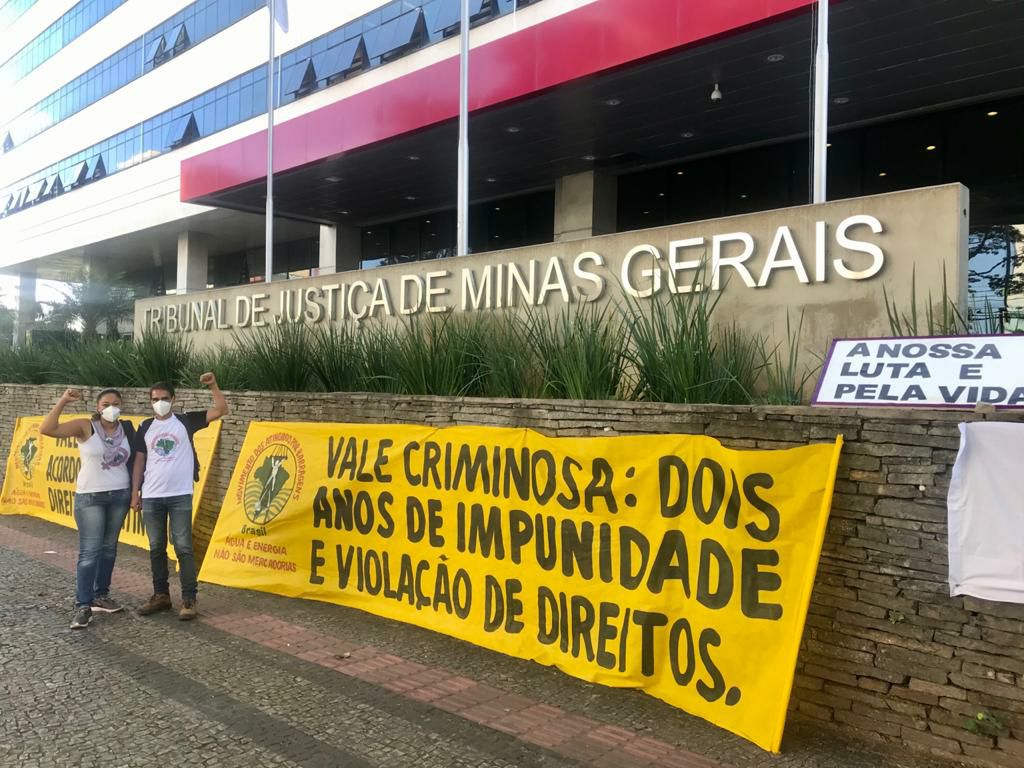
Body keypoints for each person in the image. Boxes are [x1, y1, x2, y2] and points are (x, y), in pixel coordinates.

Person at [131, 373, 227, 621]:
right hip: (152, 495)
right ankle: (161, 595)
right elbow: (140, 461)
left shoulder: (186, 421)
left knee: (183, 547)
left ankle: (189, 598)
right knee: (155, 547)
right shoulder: (145, 427)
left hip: (180, 495)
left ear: (173, 399)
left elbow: (221, 409)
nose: (159, 402)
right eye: (155, 399)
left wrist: (213, 386)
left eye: (164, 398)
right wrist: (135, 493)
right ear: (150, 401)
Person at [40, 387, 136, 629]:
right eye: (105, 404)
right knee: (90, 551)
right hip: (90, 496)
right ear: (98, 407)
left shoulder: (128, 429)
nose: (110, 408)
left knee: (109, 549)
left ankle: (101, 595)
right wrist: (63, 400)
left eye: (115, 403)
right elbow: (47, 429)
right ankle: (83, 603)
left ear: (121, 405)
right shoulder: (86, 426)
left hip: (119, 494)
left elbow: (138, 459)